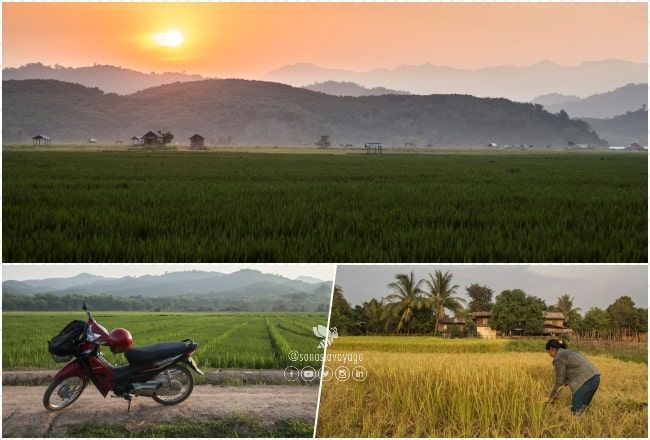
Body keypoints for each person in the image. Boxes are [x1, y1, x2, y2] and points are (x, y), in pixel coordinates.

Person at [546, 339, 600, 414]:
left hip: (584, 381)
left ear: (552, 349)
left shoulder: (559, 357)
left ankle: (577, 423)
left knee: (576, 411)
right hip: (595, 377)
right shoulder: (570, 352)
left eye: (548, 352)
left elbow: (559, 381)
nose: (549, 354)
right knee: (583, 408)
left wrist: (551, 398)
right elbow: (574, 369)